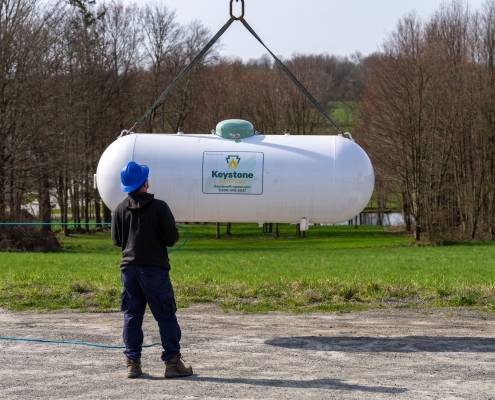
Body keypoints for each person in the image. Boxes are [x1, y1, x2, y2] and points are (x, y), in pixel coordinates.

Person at [111, 160, 193, 379]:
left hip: (128, 270)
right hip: (154, 270)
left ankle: (133, 364)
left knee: (132, 315)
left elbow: (117, 240)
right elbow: (171, 238)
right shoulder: (160, 207)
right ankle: (173, 364)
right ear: (145, 182)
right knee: (165, 315)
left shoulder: (119, 209)